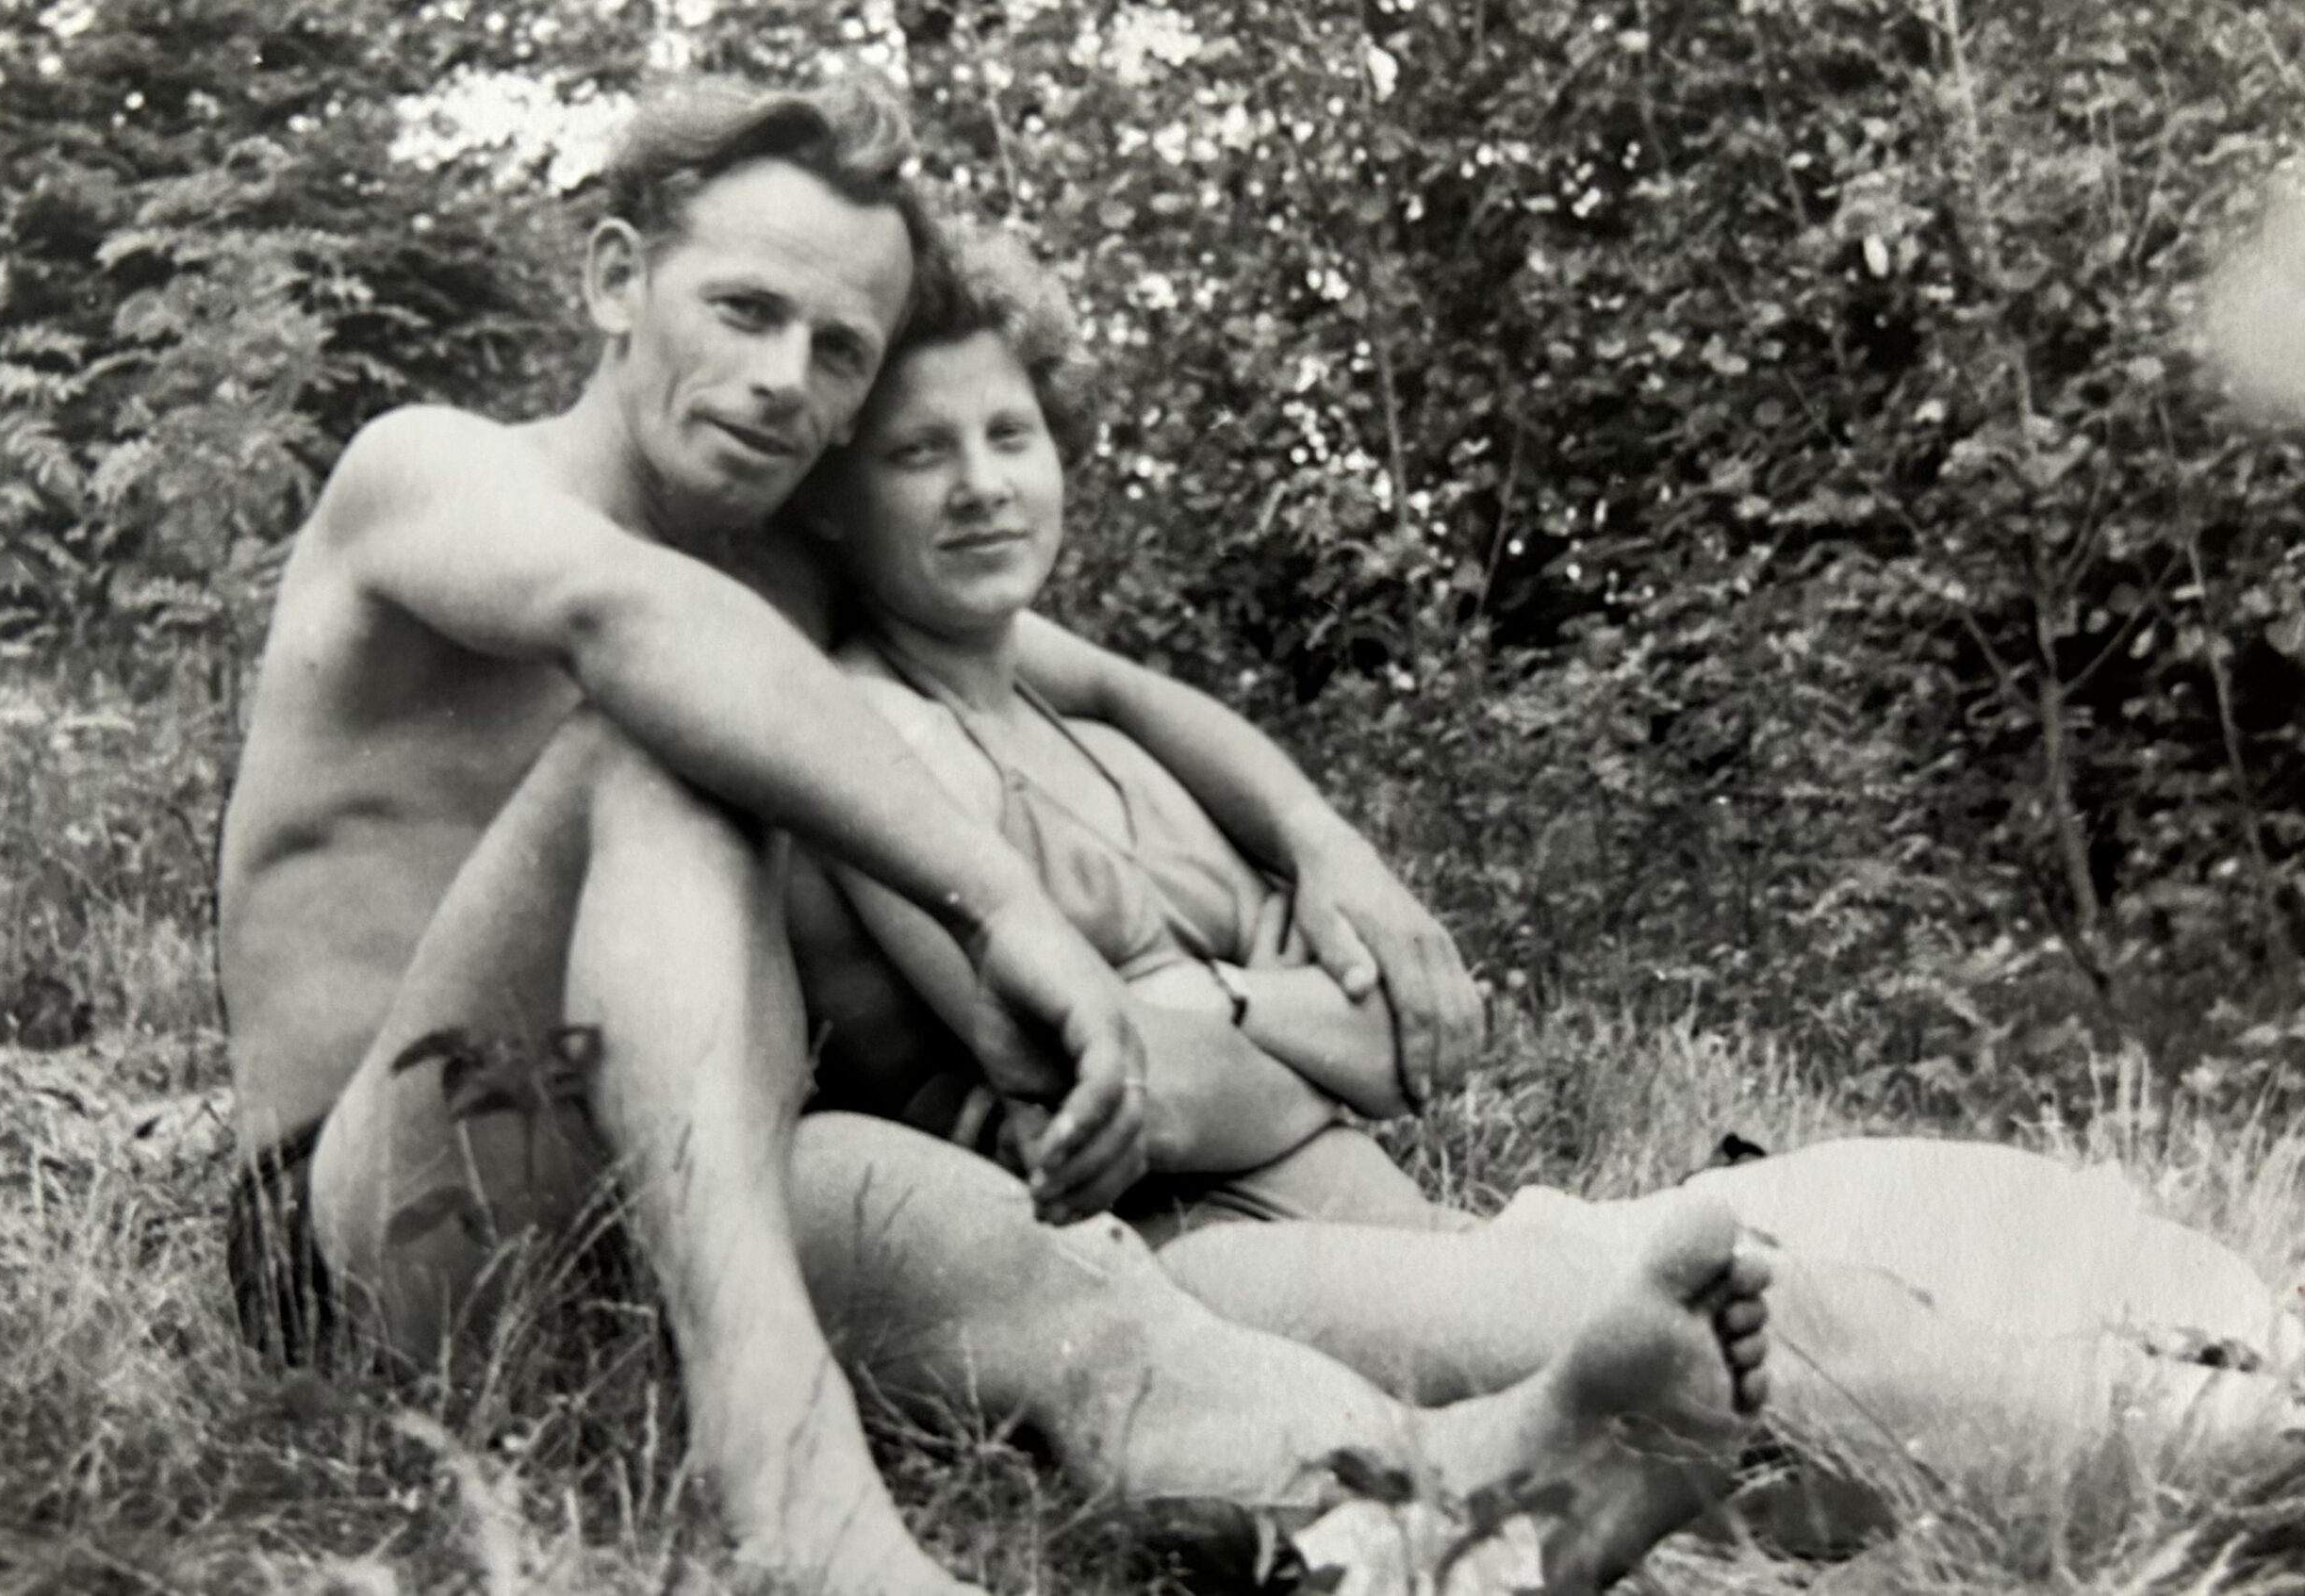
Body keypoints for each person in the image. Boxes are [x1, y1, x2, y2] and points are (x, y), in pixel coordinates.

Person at [215, 71, 1768, 1596]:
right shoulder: (434, 474)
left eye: (840, 349)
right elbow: (632, 625)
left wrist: (1317, 833)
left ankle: (1445, 1514)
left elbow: (1099, 679)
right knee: (664, 737)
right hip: (383, 1232)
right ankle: (789, 1493)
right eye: (745, 311)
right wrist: (1001, 909)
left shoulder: (779, 578)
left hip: (668, 1194)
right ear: (619, 279)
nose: (786, 381)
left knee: (1043, 1267)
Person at [790, 222, 2304, 1554]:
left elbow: (1385, 1044)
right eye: (920, 453)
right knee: (1783, 1316)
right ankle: (2232, 1456)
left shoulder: (1044, 684)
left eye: (1011, 432)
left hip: (1433, 1227)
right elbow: (1134, 1092)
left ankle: (2203, 1389)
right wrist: (1300, 1024)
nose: (984, 485)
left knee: (1985, 1210)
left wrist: (1271, 935)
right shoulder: (867, 740)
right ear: (836, 498)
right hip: (1220, 1270)